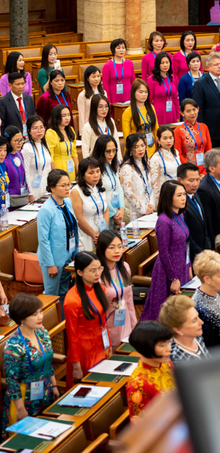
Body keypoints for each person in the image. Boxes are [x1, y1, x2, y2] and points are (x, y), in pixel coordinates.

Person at [3, 293, 58, 431]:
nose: (40, 317)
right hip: (24, 397)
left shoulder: (42, 332)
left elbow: (48, 361)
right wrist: (20, 409)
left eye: (40, 311)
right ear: (21, 317)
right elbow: (11, 381)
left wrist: (55, 385)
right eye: (34, 314)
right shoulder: (13, 345)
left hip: (45, 390)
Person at [140, 180, 190, 322]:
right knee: (166, 311)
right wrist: (173, 278)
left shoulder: (180, 215)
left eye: (184, 194)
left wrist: (189, 266)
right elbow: (163, 252)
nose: (183, 198)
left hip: (182, 265)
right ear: (169, 197)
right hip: (168, 270)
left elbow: (185, 244)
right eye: (179, 195)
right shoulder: (164, 220)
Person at [64, 251, 109, 383]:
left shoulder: (100, 289)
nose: (98, 273)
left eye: (100, 268)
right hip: (83, 351)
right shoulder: (72, 300)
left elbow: (104, 321)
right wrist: (76, 364)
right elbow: (71, 335)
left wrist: (108, 345)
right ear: (80, 272)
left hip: (101, 344)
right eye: (92, 270)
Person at [125, 320, 176, 421]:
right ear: (146, 348)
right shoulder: (138, 385)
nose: (169, 349)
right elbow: (143, 424)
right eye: (162, 345)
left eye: (168, 343)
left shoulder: (166, 364)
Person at [94, 229, 137, 348]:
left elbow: (129, 298)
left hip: (125, 318)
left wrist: (134, 323)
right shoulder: (98, 275)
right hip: (108, 321)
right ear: (102, 249)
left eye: (119, 246)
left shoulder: (125, 267)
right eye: (111, 247)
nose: (117, 251)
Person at [38, 170, 78, 295]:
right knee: (51, 294)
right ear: (52, 188)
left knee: (64, 291)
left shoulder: (67, 202)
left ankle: (62, 315)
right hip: (53, 259)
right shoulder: (46, 210)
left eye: (68, 184)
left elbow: (73, 229)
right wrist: (50, 264)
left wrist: (75, 253)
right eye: (63, 185)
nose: (68, 188)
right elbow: (43, 240)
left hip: (67, 255)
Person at [193, 52, 220, 148]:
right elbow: (198, 110)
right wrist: (202, 131)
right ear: (208, 67)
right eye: (216, 64)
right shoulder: (200, 84)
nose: (219, 66)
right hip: (210, 131)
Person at [71, 157, 110, 254]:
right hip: (86, 235)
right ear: (82, 175)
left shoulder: (99, 187)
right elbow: (78, 218)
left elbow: (106, 210)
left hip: (101, 233)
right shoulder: (76, 191)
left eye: (98, 171)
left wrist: (103, 232)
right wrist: (95, 236)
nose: (96, 175)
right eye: (91, 173)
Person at [159, 295, 209, 362]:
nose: (201, 322)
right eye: (194, 320)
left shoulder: (197, 337)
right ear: (178, 330)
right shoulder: (175, 358)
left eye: (198, 316)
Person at [120, 133, 155, 220]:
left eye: (142, 145)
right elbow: (128, 193)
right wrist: (143, 209)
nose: (140, 149)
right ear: (130, 150)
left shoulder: (146, 163)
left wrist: (151, 204)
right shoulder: (127, 168)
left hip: (150, 208)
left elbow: (151, 186)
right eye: (136, 147)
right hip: (137, 211)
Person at [149, 52, 180, 126]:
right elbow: (149, 100)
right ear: (158, 64)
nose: (165, 65)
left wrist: (178, 115)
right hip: (158, 111)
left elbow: (175, 98)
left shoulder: (172, 77)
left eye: (167, 62)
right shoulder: (152, 79)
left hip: (171, 111)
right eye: (162, 63)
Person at [0, 72, 34, 138]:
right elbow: (2, 125)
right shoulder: (3, 101)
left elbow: (33, 117)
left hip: (29, 137)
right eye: (18, 84)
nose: (21, 86)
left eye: (23, 83)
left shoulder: (28, 99)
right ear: (10, 85)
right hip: (13, 139)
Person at [103, 39, 136, 105]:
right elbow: (105, 85)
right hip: (114, 99)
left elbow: (133, 82)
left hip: (128, 97)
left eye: (123, 48)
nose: (121, 50)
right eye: (118, 48)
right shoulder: (107, 65)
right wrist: (108, 102)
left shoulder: (130, 63)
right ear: (113, 50)